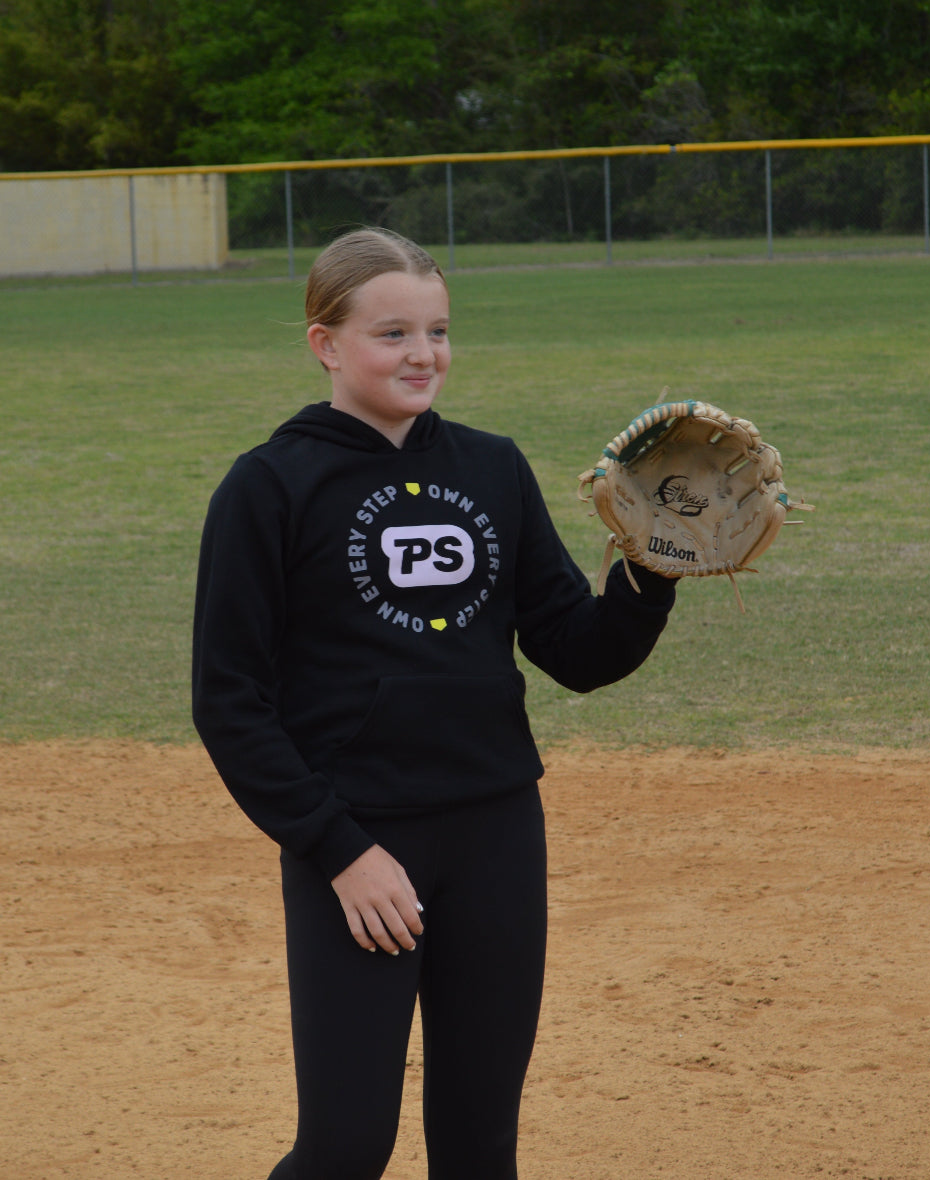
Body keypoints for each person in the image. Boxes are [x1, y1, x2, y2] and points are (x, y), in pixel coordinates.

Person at [191, 227, 677, 1180]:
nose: (423, 355)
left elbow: (577, 653)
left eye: (439, 331)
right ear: (326, 343)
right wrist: (340, 852)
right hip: (361, 846)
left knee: (480, 1142)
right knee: (344, 1147)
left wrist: (652, 569)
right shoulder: (270, 486)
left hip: (496, 831)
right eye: (393, 334)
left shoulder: (492, 468)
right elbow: (229, 701)